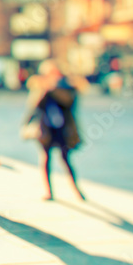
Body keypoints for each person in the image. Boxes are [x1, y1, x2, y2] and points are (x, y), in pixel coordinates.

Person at [25, 60, 87, 202]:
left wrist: (53, 88)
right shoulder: (41, 86)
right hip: (45, 128)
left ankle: (76, 189)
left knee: (66, 159)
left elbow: (70, 102)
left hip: (63, 128)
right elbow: (34, 107)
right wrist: (43, 90)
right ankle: (49, 191)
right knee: (45, 159)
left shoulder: (67, 85)